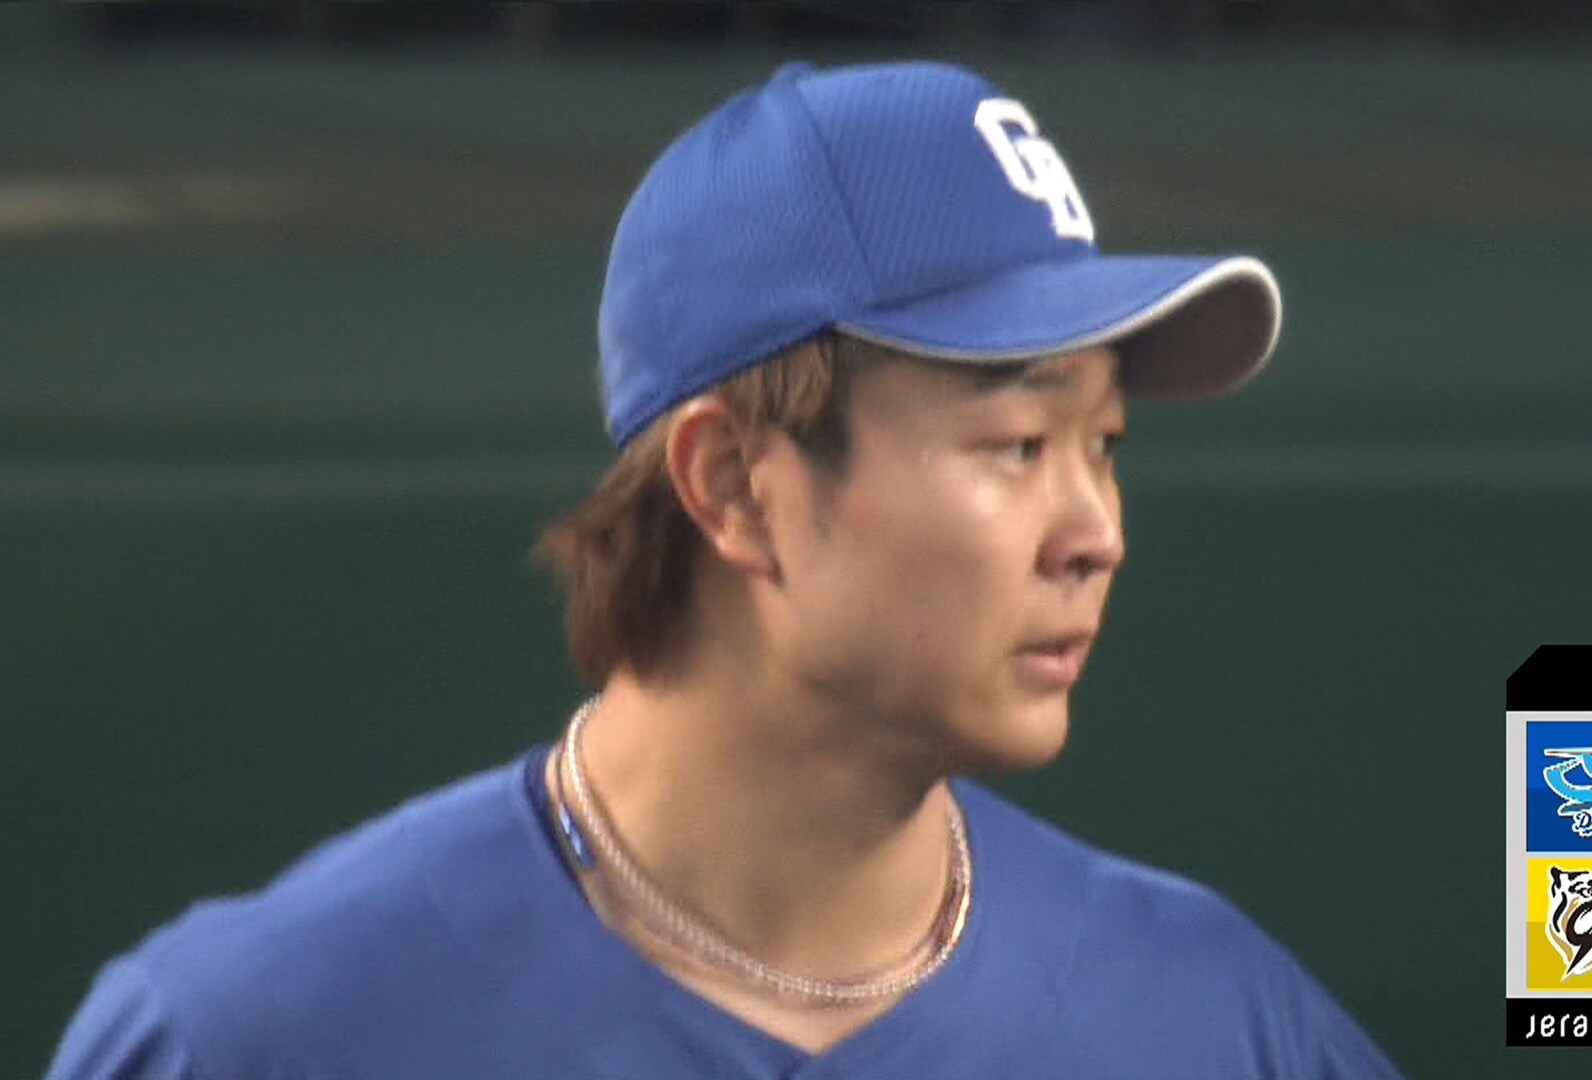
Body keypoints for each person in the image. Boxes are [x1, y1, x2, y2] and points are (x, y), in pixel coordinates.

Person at [47, 60, 1403, 1080]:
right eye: (1018, 444)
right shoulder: (262, 1035)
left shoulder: (1215, 1022)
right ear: (736, 487)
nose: (1097, 531)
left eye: (1104, 446)